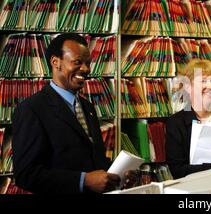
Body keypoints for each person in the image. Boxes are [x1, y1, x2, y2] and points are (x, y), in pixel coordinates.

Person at [12, 34, 135, 194]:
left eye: (88, 63)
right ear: (56, 62)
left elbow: (93, 158)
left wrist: (116, 174)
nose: (85, 69)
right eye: (77, 62)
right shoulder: (31, 109)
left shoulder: (87, 107)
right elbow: (26, 175)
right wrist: (84, 180)